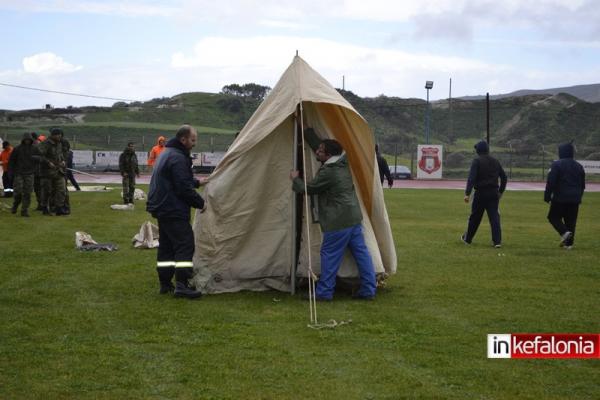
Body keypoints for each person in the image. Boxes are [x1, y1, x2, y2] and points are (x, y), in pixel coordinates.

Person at [290, 128, 377, 301]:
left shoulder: (328, 172)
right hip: (353, 216)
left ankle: (324, 293)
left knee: (329, 256)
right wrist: (306, 130)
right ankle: (368, 289)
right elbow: (322, 148)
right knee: (362, 254)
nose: (317, 151)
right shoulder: (342, 160)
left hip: (338, 220)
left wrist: (295, 179)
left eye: (321, 151)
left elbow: (309, 188)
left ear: (328, 156)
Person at [147, 125, 206, 299]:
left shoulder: (167, 153)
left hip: (161, 207)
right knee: (184, 245)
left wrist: (197, 182)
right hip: (173, 208)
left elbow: (177, 179)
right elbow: (182, 187)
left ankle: (165, 284)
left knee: (166, 247)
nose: (195, 143)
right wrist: (201, 203)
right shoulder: (179, 157)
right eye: (193, 140)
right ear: (183, 139)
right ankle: (182, 284)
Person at [461, 140, 507, 248]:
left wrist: (467, 193)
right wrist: (500, 191)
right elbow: (504, 177)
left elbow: (471, 178)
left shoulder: (476, 161)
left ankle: (468, 239)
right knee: (494, 217)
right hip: (493, 193)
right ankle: (497, 241)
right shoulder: (496, 161)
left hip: (480, 193)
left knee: (475, 217)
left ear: (478, 150)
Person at [544, 142, 585, 249]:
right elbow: (582, 184)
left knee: (553, 217)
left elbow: (551, 182)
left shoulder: (557, 164)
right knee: (571, 220)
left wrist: (547, 196)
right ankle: (569, 244)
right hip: (575, 197)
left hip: (560, 197)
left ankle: (564, 232)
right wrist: (579, 196)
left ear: (561, 152)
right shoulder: (579, 166)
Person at [9, 133, 40, 216]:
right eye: (26, 140)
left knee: (28, 193)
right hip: (19, 173)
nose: (27, 141)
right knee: (18, 192)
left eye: (29, 140)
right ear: (23, 140)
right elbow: (11, 161)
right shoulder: (17, 149)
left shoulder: (34, 149)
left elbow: (40, 158)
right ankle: (15, 205)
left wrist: (36, 158)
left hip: (30, 173)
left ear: (31, 140)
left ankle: (24, 210)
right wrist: (10, 172)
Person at [38, 128, 68, 216]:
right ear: (53, 135)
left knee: (61, 190)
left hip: (58, 171)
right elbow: (39, 155)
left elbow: (61, 155)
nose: (60, 136)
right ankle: (44, 207)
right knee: (47, 191)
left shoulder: (59, 144)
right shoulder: (45, 144)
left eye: (60, 135)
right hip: (47, 172)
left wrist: (63, 161)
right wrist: (48, 162)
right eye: (58, 135)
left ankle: (59, 208)